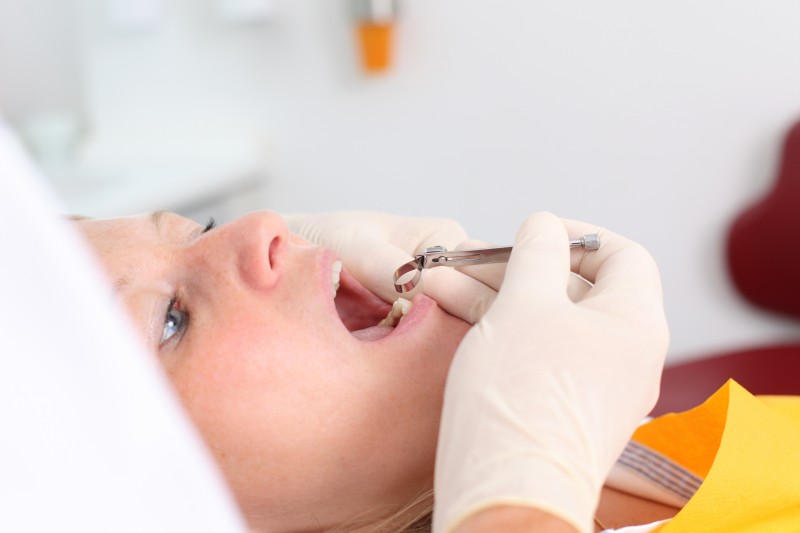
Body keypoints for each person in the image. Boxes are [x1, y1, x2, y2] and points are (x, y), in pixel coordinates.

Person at [71, 208, 671, 532]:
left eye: (200, 226)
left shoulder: (615, 453)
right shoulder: (541, 464)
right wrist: (518, 502)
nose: (261, 224)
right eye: (171, 320)